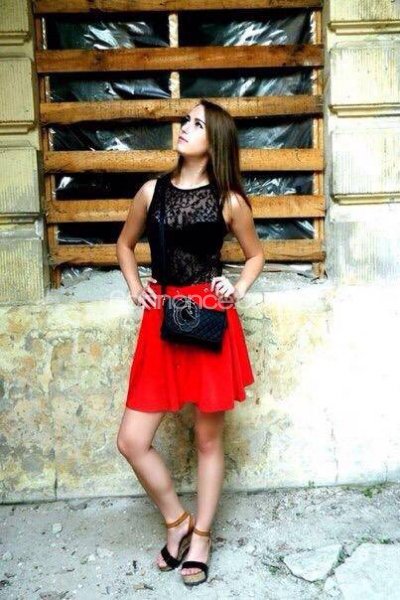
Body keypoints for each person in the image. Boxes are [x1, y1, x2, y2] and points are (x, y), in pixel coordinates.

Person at [116, 98, 265, 586]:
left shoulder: (229, 200)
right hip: (160, 323)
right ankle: (176, 520)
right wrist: (136, 287)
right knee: (132, 440)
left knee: (207, 439)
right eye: (186, 120)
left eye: (197, 124)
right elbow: (124, 244)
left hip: (208, 320)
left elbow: (255, 255)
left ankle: (200, 535)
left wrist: (236, 288)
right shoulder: (151, 191)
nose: (184, 127)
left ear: (214, 141)